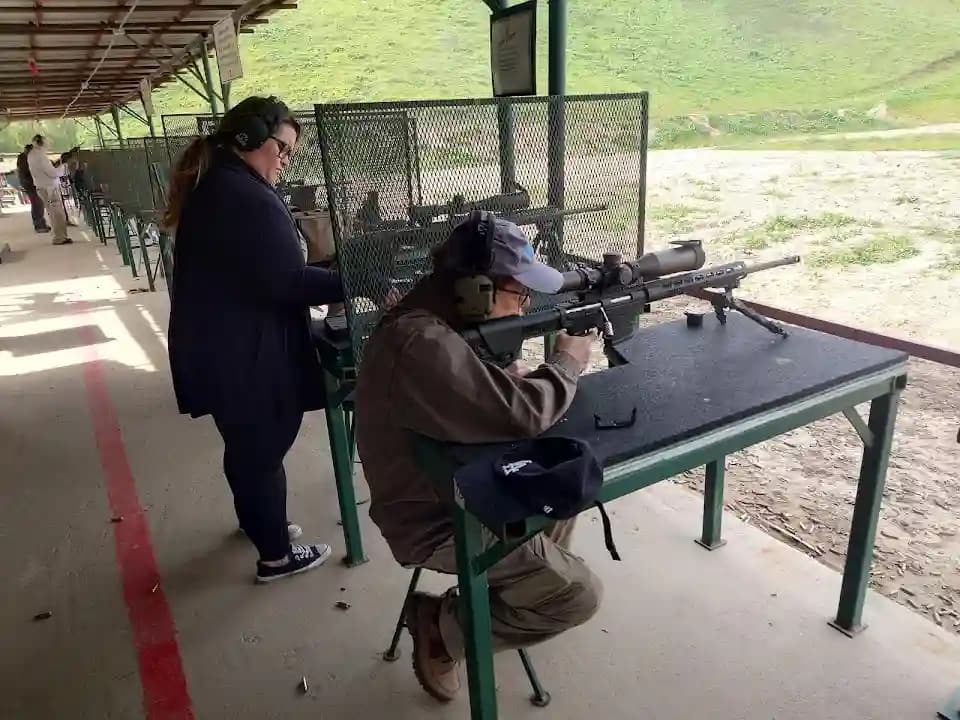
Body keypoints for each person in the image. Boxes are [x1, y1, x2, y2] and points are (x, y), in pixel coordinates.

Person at [354, 212, 603, 702]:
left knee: (559, 492)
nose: (524, 306)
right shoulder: (420, 341)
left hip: (462, 483)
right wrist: (568, 360)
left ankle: (505, 598)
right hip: (436, 518)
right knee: (579, 595)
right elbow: (526, 411)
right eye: (518, 294)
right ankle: (442, 628)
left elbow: (480, 381)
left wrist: (504, 364)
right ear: (476, 290)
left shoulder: (437, 320)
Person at [164, 96, 344, 584]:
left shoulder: (224, 183)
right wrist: (355, 278)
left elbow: (268, 273)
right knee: (262, 451)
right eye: (281, 149)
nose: (285, 161)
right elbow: (287, 283)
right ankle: (277, 557)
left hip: (227, 347)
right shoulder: (240, 195)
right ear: (248, 139)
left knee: (247, 449)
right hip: (242, 355)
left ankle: (257, 522)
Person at [27, 136, 71, 245]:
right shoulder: (40, 156)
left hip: (42, 187)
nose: (48, 145)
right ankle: (60, 237)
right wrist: (64, 167)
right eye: (46, 142)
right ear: (41, 143)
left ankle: (59, 236)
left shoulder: (32, 155)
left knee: (52, 213)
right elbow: (53, 173)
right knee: (57, 214)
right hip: (49, 188)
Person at [16, 144, 50, 234]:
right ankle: (39, 225)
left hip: (31, 183)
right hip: (29, 184)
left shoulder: (25, 158)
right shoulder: (23, 158)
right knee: (37, 203)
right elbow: (28, 170)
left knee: (39, 203)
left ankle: (41, 223)